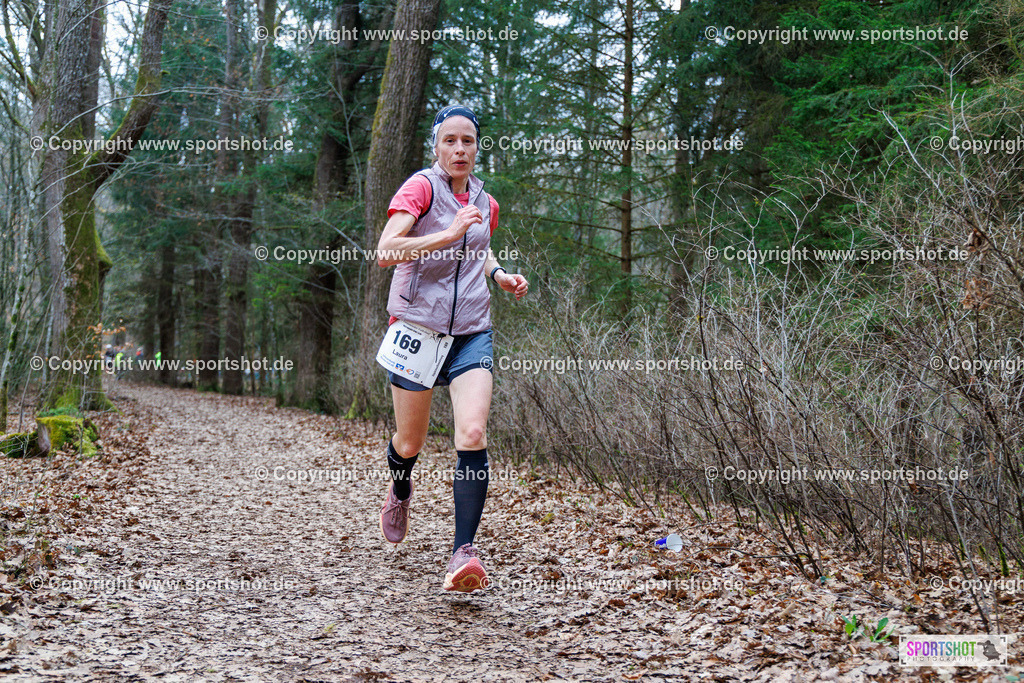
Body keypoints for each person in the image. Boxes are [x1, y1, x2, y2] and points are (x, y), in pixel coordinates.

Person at [374, 104, 528, 592]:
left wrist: (500, 275)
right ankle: (401, 489)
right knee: (410, 443)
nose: (459, 149)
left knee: (473, 431)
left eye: (468, 141)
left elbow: (479, 252)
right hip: (417, 328)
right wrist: (447, 233)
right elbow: (387, 250)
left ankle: (463, 551)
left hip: (471, 330)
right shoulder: (420, 188)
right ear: (437, 147)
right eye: (450, 141)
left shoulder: (487, 199)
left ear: (477, 146)